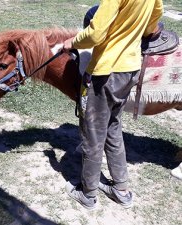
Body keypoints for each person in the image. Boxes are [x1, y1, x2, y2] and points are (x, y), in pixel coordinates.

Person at [62, 0, 163, 210]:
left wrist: (72, 42)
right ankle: (120, 189)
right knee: (113, 128)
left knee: (93, 133)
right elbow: (154, 19)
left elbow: (96, 33)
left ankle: (88, 194)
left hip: (106, 71)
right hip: (131, 68)